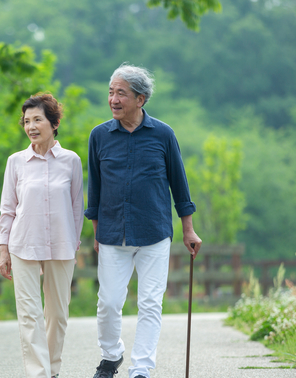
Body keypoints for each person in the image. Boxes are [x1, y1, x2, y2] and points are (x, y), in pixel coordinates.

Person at [85, 64, 202, 378]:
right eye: (111, 92)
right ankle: (112, 356)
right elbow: (94, 188)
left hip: (154, 233)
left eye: (121, 93)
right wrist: (96, 230)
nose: (113, 99)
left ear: (141, 99)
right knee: (108, 303)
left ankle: (141, 368)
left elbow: (179, 183)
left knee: (150, 303)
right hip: (112, 234)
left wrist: (188, 228)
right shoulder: (99, 136)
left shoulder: (163, 134)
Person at [0, 93, 84, 378]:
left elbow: (76, 207)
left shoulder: (71, 161)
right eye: (26, 121)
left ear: (54, 122)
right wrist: (3, 249)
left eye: (38, 120)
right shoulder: (16, 162)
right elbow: (8, 209)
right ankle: (39, 373)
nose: (31, 126)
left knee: (57, 315)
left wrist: (74, 244)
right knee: (30, 314)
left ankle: (53, 369)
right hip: (22, 244)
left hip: (62, 245)